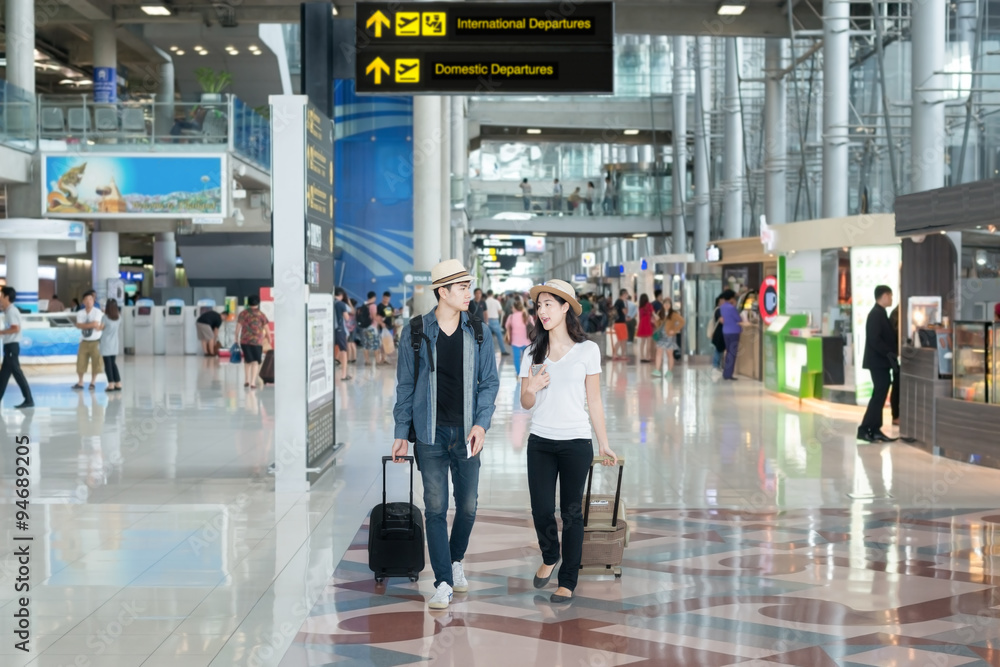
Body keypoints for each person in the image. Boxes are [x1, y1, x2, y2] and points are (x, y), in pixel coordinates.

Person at [391, 259, 500, 610]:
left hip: (468, 434)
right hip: (429, 434)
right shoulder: (415, 332)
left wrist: (481, 423)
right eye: (462, 288)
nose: (469, 293)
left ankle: (455, 561)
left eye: (469, 286)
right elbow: (405, 385)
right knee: (436, 508)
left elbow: (490, 383)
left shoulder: (478, 331)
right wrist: (400, 432)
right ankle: (442, 582)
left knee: (467, 507)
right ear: (442, 292)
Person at [519, 279, 617, 604]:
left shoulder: (588, 351)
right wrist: (531, 388)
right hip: (541, 442)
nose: (542, 311)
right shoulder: (531, 353)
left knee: (572, 512)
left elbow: (595, 401)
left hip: (576, 442)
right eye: (538, 305)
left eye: (549, 304)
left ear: (565, 308)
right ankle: (550, 554)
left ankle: (567, 581)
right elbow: (525, 402)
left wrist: (603, 443)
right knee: (542, 510)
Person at [858, 285, 899, 443]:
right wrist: (890, 353)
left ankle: (874, 428)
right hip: (878, 362)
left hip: (882, 362)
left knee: (880, 393)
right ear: (883, 296)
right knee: (879, 393)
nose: (891, 299)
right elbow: (875, 340)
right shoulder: (876, 314)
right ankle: (865, 428)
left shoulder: (881, 313)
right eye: (890, 296)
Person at [0, 287, 34, 408]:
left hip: (12, 347)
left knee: (17, 374)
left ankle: (29, 400)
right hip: (9, 347)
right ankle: (29, 400)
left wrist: (1, 332)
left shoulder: (12, 311)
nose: (0, 297)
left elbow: (15, 328)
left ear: (7, 297)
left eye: (1, 295)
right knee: (3, 376)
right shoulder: (8, 310)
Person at [235, 295, 270, 389]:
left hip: (245, 341)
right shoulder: (261, 314)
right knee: (255, 361)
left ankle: (246, 380)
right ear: (258, 303)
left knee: (247, 360)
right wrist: (269, 339)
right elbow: (267, 328)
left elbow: (238, 327)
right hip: (257, 342)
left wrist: (236, 338)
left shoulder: (243, 314)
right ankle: (253, 383)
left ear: (248, 303)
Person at [73, 290, 104, 390]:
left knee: (96, 362)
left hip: (96, 341)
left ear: (93, 301)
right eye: (86, 299)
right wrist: (88, 325)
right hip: (84, 341)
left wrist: (83, 325)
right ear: (83, 302)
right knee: (80, 362)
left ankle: (93, 382)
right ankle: (80, 382)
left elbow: (95, 324)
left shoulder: (97, 312)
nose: (88, 301)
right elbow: (79, 325)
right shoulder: (80, 313)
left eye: (90, 299)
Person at [653, 302, 686, 377]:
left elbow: (682, 321)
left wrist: (674, 330)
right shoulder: (660, 313)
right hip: (661, 335)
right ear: (663, 305)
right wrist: (656, 321)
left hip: (669, 336)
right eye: (665, 304)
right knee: (659, 351)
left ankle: (669, 371)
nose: (666, 305)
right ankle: (657, 370)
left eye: (668, 304)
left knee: (669, 354)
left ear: (671, 305)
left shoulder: (674, 314)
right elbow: (658, 324)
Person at [506, 296, 532, 376]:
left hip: (515, 341)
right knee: (527, 358)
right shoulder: (527, 316)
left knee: (516, 359)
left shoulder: (511, 317)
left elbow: (507, 326)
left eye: (512, 307)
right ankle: (528, 373)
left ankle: (518, 373)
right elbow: (533, 326)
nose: (512, 309)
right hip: (527, 341)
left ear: (515, 308)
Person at [100, 299, 122, 392]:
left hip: (106, 343)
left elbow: (101, 328)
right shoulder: (119, 317)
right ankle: (118, 383)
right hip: (115, 343)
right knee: (113, 364)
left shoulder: (105, 317)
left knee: (107, 365)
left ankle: (110, 385)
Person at [719, 289, 742, 381]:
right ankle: (728, 374)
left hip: (725, 331)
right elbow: (738, 318)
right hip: (734, 331)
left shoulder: (722, 307)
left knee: (728, 352)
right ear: (731, 297)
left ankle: (725, 373)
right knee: (732, 353)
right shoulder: (732, 308)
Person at [334, 287, 352, 381]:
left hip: (330, 330)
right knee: (343, 351)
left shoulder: (330, 302)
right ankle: (344, 375)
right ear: (341, 295)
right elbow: (347, 317)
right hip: (340, 330)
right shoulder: (341, 304)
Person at [484, 290, 508, 356]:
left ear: (487, 294)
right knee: (499, 336)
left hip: (487, 320)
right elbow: (500, 311)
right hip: (495, 320)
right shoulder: (496, 301)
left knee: (487, 337)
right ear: (492, 294)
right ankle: (503, 351)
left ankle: (487, 352)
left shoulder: (485, 302)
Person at [888, 305, 900, 426]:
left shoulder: (898, 312)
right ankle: (896, 415)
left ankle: (897, 414)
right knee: (897, 383)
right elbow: (896, 333)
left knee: (897, 383)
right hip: (895, 355)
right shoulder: (897, 313)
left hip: (897, 354)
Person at [708, 295, 726, 372]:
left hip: (721, 333)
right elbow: (722, 320)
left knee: (720, 350)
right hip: (718, 333)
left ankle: (717, 366)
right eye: (722, 301)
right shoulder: (718, 310)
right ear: (719, 302)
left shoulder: (721, 310)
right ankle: (715, 366)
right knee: (718, 350)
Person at [636, 294, 654, 363]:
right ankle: (647, 356)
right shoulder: (649, 305)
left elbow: (640, 316)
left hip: (642, 323)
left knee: (642, 342)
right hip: (648, 323)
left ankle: (642, 356)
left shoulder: (640, 306)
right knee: (649, 341)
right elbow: (653, 313)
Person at [612, 289, 629, 361]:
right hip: (621, 323)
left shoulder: (616, 301)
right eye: (627, 294)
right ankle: (619, 354)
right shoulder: (621, 302)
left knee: (621, 339)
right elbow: (625, 312)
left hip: (617, 323)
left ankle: (618, 354)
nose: (627, 295)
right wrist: (627, 305)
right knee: (622, 339)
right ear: (624, 294)